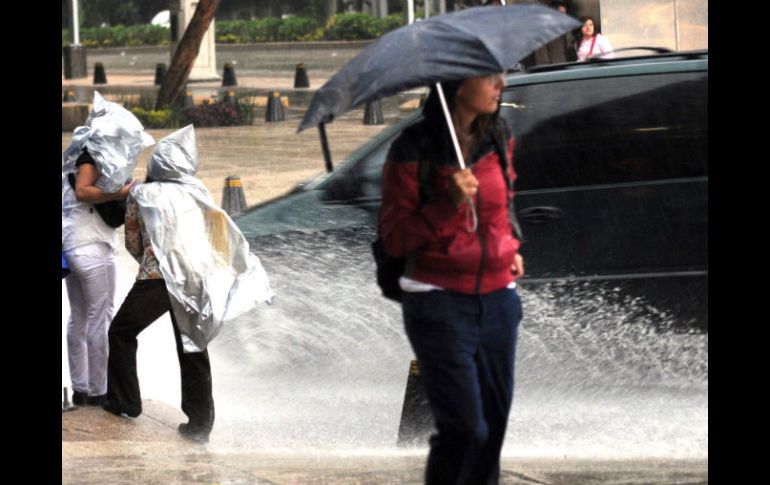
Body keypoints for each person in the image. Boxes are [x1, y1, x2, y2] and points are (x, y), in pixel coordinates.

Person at [379, 74, 524, 484]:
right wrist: (448, 202)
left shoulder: (498, 135)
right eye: (489, 75)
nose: (502, 82)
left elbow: (505, 203)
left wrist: (511, 246)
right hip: (437, 302)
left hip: (499, 301)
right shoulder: (413, 149)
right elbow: (395, 239)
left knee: (492, 433)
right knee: (465, 430)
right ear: (459, 85)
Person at [102, 125, 274, 445]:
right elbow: (217, 234)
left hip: (156, 279)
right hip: (196, 279)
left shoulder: (142, 193)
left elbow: (132, 241)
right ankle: (200, 423)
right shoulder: (199, 192)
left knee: (121, 332)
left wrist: (150, 261)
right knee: (193, 345)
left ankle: (124, 401)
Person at [62, 95, 154, 407]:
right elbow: (84, 191)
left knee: (79, 318)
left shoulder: (75, 153)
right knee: (99, 318)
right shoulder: (92, 156)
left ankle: (81, 387)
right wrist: (122, 191)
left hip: (72, 245)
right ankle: (98, 390)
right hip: (92, 247)